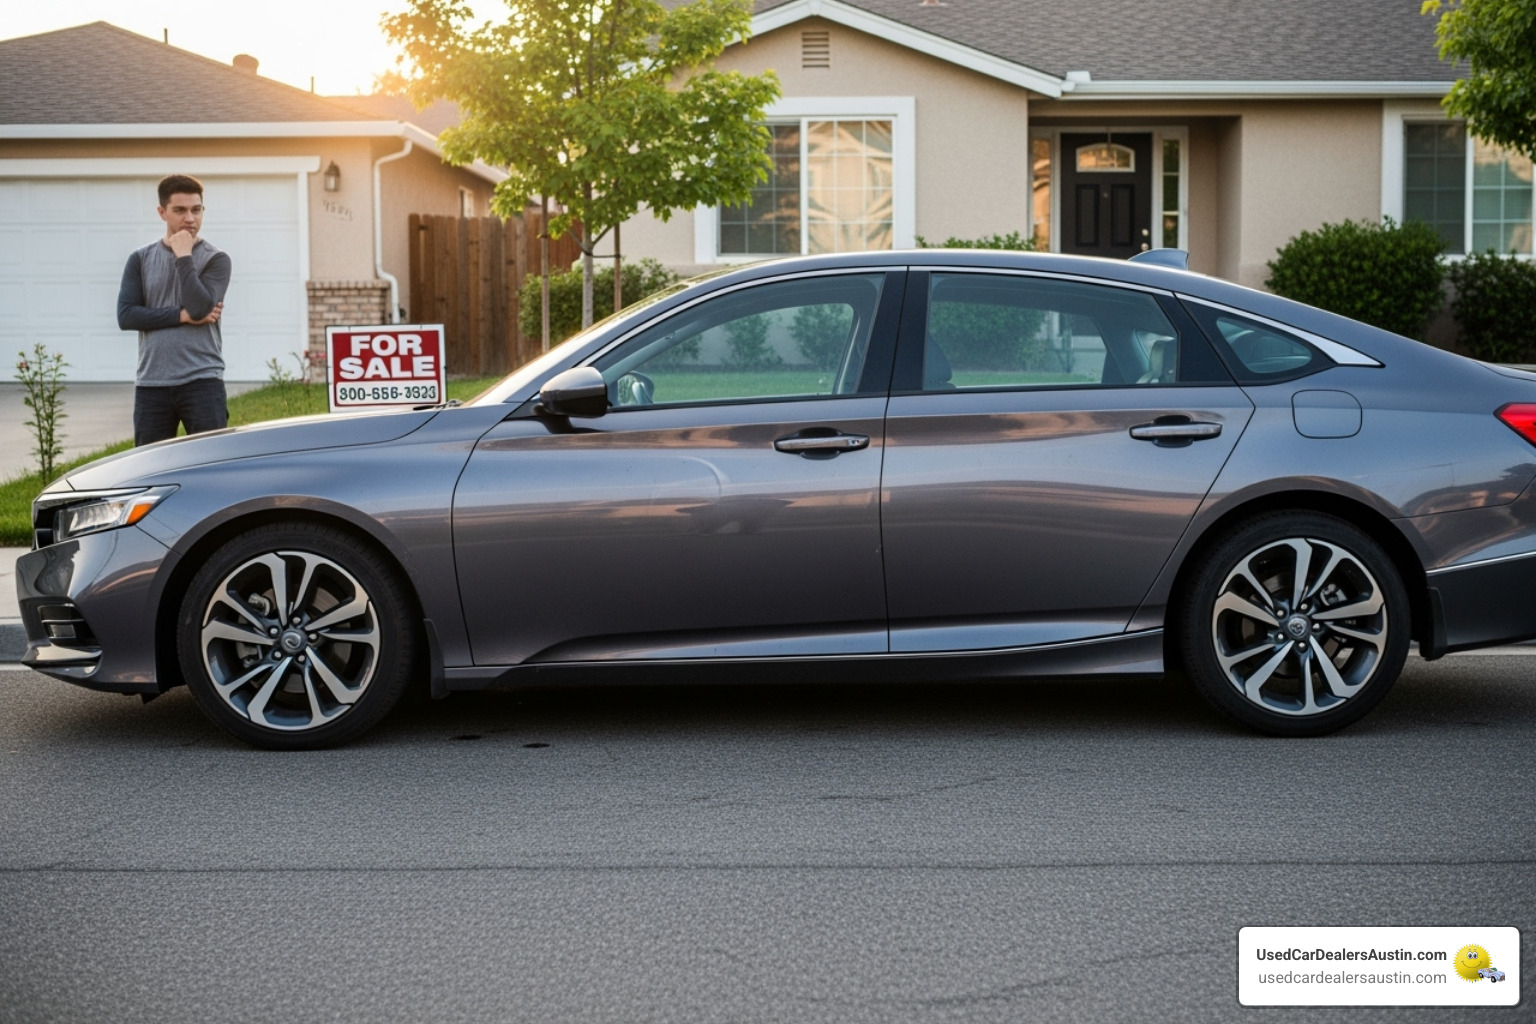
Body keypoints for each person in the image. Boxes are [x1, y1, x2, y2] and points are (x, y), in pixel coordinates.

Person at [116, 173, 232, 445]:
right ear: (162, 212)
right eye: (180, 210)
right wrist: (180, 316)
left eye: (196, 209)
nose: (190, 218)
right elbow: (127, 315)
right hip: (152, 384)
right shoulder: (140, 259)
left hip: (202, 381)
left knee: (210, 464)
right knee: (150, 470)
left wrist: (183, 256)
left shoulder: (216, 259)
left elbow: (200, 306)